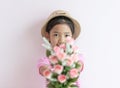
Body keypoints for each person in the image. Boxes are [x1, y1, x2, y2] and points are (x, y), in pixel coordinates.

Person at [37, 10, 84, 88]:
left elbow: (79, 66)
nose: (61, 40)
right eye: (56, 35)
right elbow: (44, 69)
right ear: (48, 36)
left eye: (66, 35)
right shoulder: (45, 60)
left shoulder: (76, 57)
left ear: (72, 37)